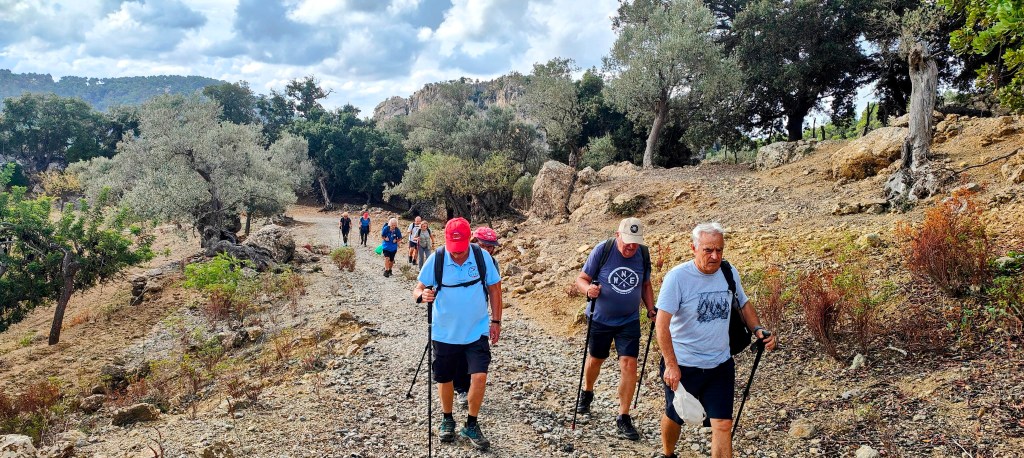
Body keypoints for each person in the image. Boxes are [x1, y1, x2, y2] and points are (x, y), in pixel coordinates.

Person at [653, 222, 777, 458]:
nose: (715, 256)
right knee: (675, 415)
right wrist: (670, 364)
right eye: (708, 250)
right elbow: (662, 324)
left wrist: (758, 329)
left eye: (719, 250)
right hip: (684, 364)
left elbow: (743, 303)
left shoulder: (728, 272)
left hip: (720, 364)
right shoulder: (677, 278)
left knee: (722, 425)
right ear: (693, 248)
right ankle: (668, 453)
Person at [413, 217, 503, 450]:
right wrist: (422, 296)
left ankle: (471, 423)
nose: (457, 254)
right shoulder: (438, 258)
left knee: (479, 376)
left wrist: (496, 321)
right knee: (445, 378)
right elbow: (418, 288)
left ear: (469, 240)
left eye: (461, 249)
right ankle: (447, 418)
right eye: (454, 249)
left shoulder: (483, 257)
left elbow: (494, 288)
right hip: (444, 333)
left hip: (477, 330)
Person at [574, 217, 655, 441]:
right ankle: (587, 391)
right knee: (596, 359)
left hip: (628, 320)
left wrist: (651, 309)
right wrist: (588, 289)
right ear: (618, 235)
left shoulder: (643, 254)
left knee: (629, 364)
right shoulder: (604, 250)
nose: (631, 246)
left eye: (635, 242)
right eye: (627, 241)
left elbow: (645, 285)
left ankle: (624, 416)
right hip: (600, 318)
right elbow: (581, 279)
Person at [445, 225, 503, 407]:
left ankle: (468, 386)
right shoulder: (454, 256)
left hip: (478, 313)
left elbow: (495, 290)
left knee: (474, 351)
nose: (487, 249)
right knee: (458, 352)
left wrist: (496, 319)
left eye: (491, 246)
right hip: (454, 315)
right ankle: (461, 388)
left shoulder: (492, 263)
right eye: (484, 245)